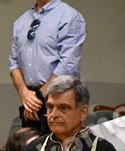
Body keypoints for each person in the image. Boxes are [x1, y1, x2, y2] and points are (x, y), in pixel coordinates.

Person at [9, 0, 86, 134]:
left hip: (61, 100)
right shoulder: (20, 22)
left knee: (62, 146)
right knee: (32, 147)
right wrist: (24, 93)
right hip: (30, 103)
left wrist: (39, 97)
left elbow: (68, 64)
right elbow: (13, 63)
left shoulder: (69, 16)